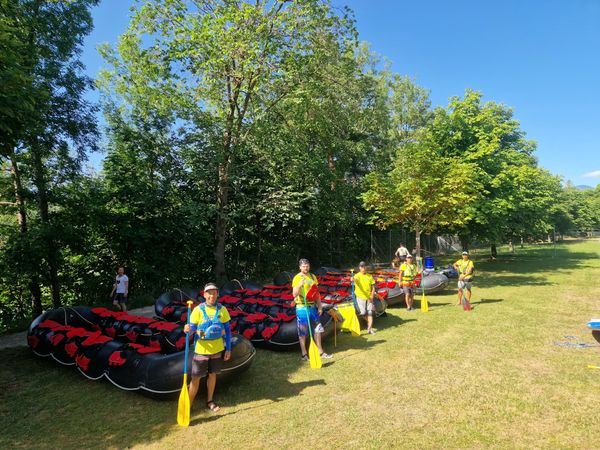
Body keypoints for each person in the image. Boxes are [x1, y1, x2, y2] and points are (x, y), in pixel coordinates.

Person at [183, 282, 231, 413]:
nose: (212, 296)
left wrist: (228, 348)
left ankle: (210, 401)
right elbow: (192, 329)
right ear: (204, 295)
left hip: (217, 349)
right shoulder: (198, 310)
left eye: (214, 293)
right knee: (195, 378)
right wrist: (187, 329)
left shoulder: (222, 310)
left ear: (217, 294)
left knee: (212, 375)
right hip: (201, 350)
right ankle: (188, 405)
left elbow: (227, 331)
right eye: (209, 293)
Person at [292, 258, 332, 361]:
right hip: (302, 307)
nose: (306, 268)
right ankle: (304, 354)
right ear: (300, 267)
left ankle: (320, 352)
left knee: (317, 329)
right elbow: (294, 294)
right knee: (302, 332)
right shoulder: (297, 278)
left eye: (307, 266)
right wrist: (299, 286)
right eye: (303, 266)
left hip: (312, 307)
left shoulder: (313, 276)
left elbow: (316, 293)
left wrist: (320, 306)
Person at [354, 261, 376, 334]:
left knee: (370, 312)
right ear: (359, 268)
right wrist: (352, 279)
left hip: (369, 297)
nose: (363, 268)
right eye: (362, 266)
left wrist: (372, 295)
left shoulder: (370, 276)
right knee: (363, 313)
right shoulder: (357, 275)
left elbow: (373, 287)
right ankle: (368, 322)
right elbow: (355, 279)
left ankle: (370, 328)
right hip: (360, 297)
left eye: (364, 266)